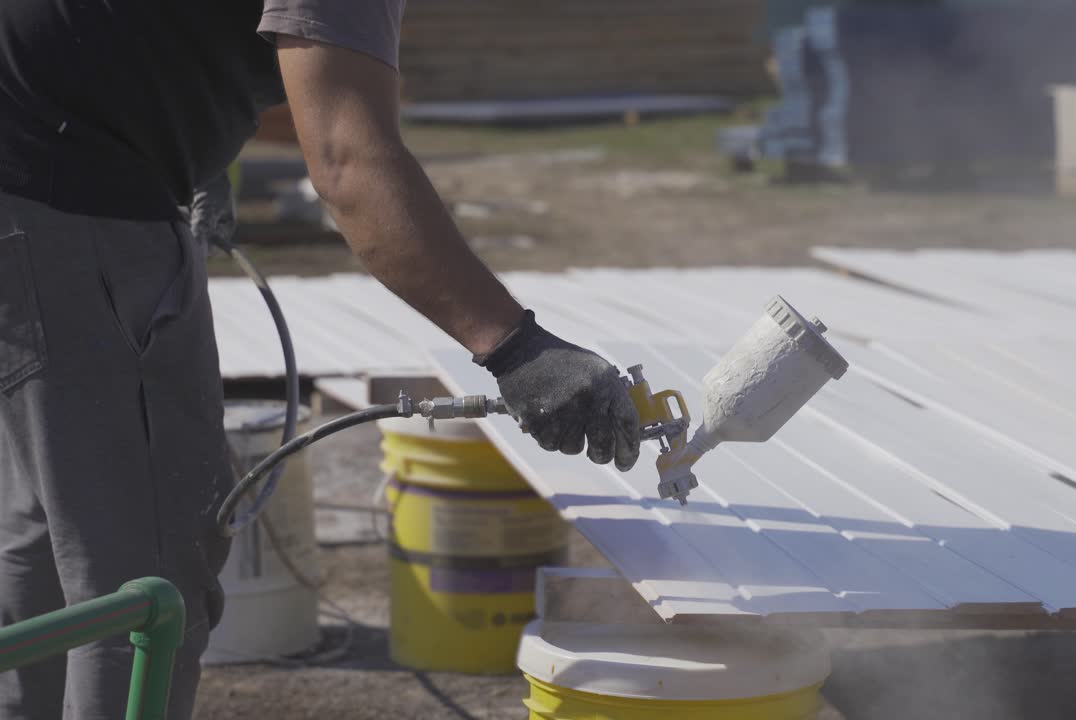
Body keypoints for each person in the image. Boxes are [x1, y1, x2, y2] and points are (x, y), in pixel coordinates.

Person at [0, 1, 641, 717]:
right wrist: (516, 348)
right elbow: (348, 161)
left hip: (32, 174)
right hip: (62, 196)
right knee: (144, 588)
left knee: (47, 536)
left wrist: (183, 147)